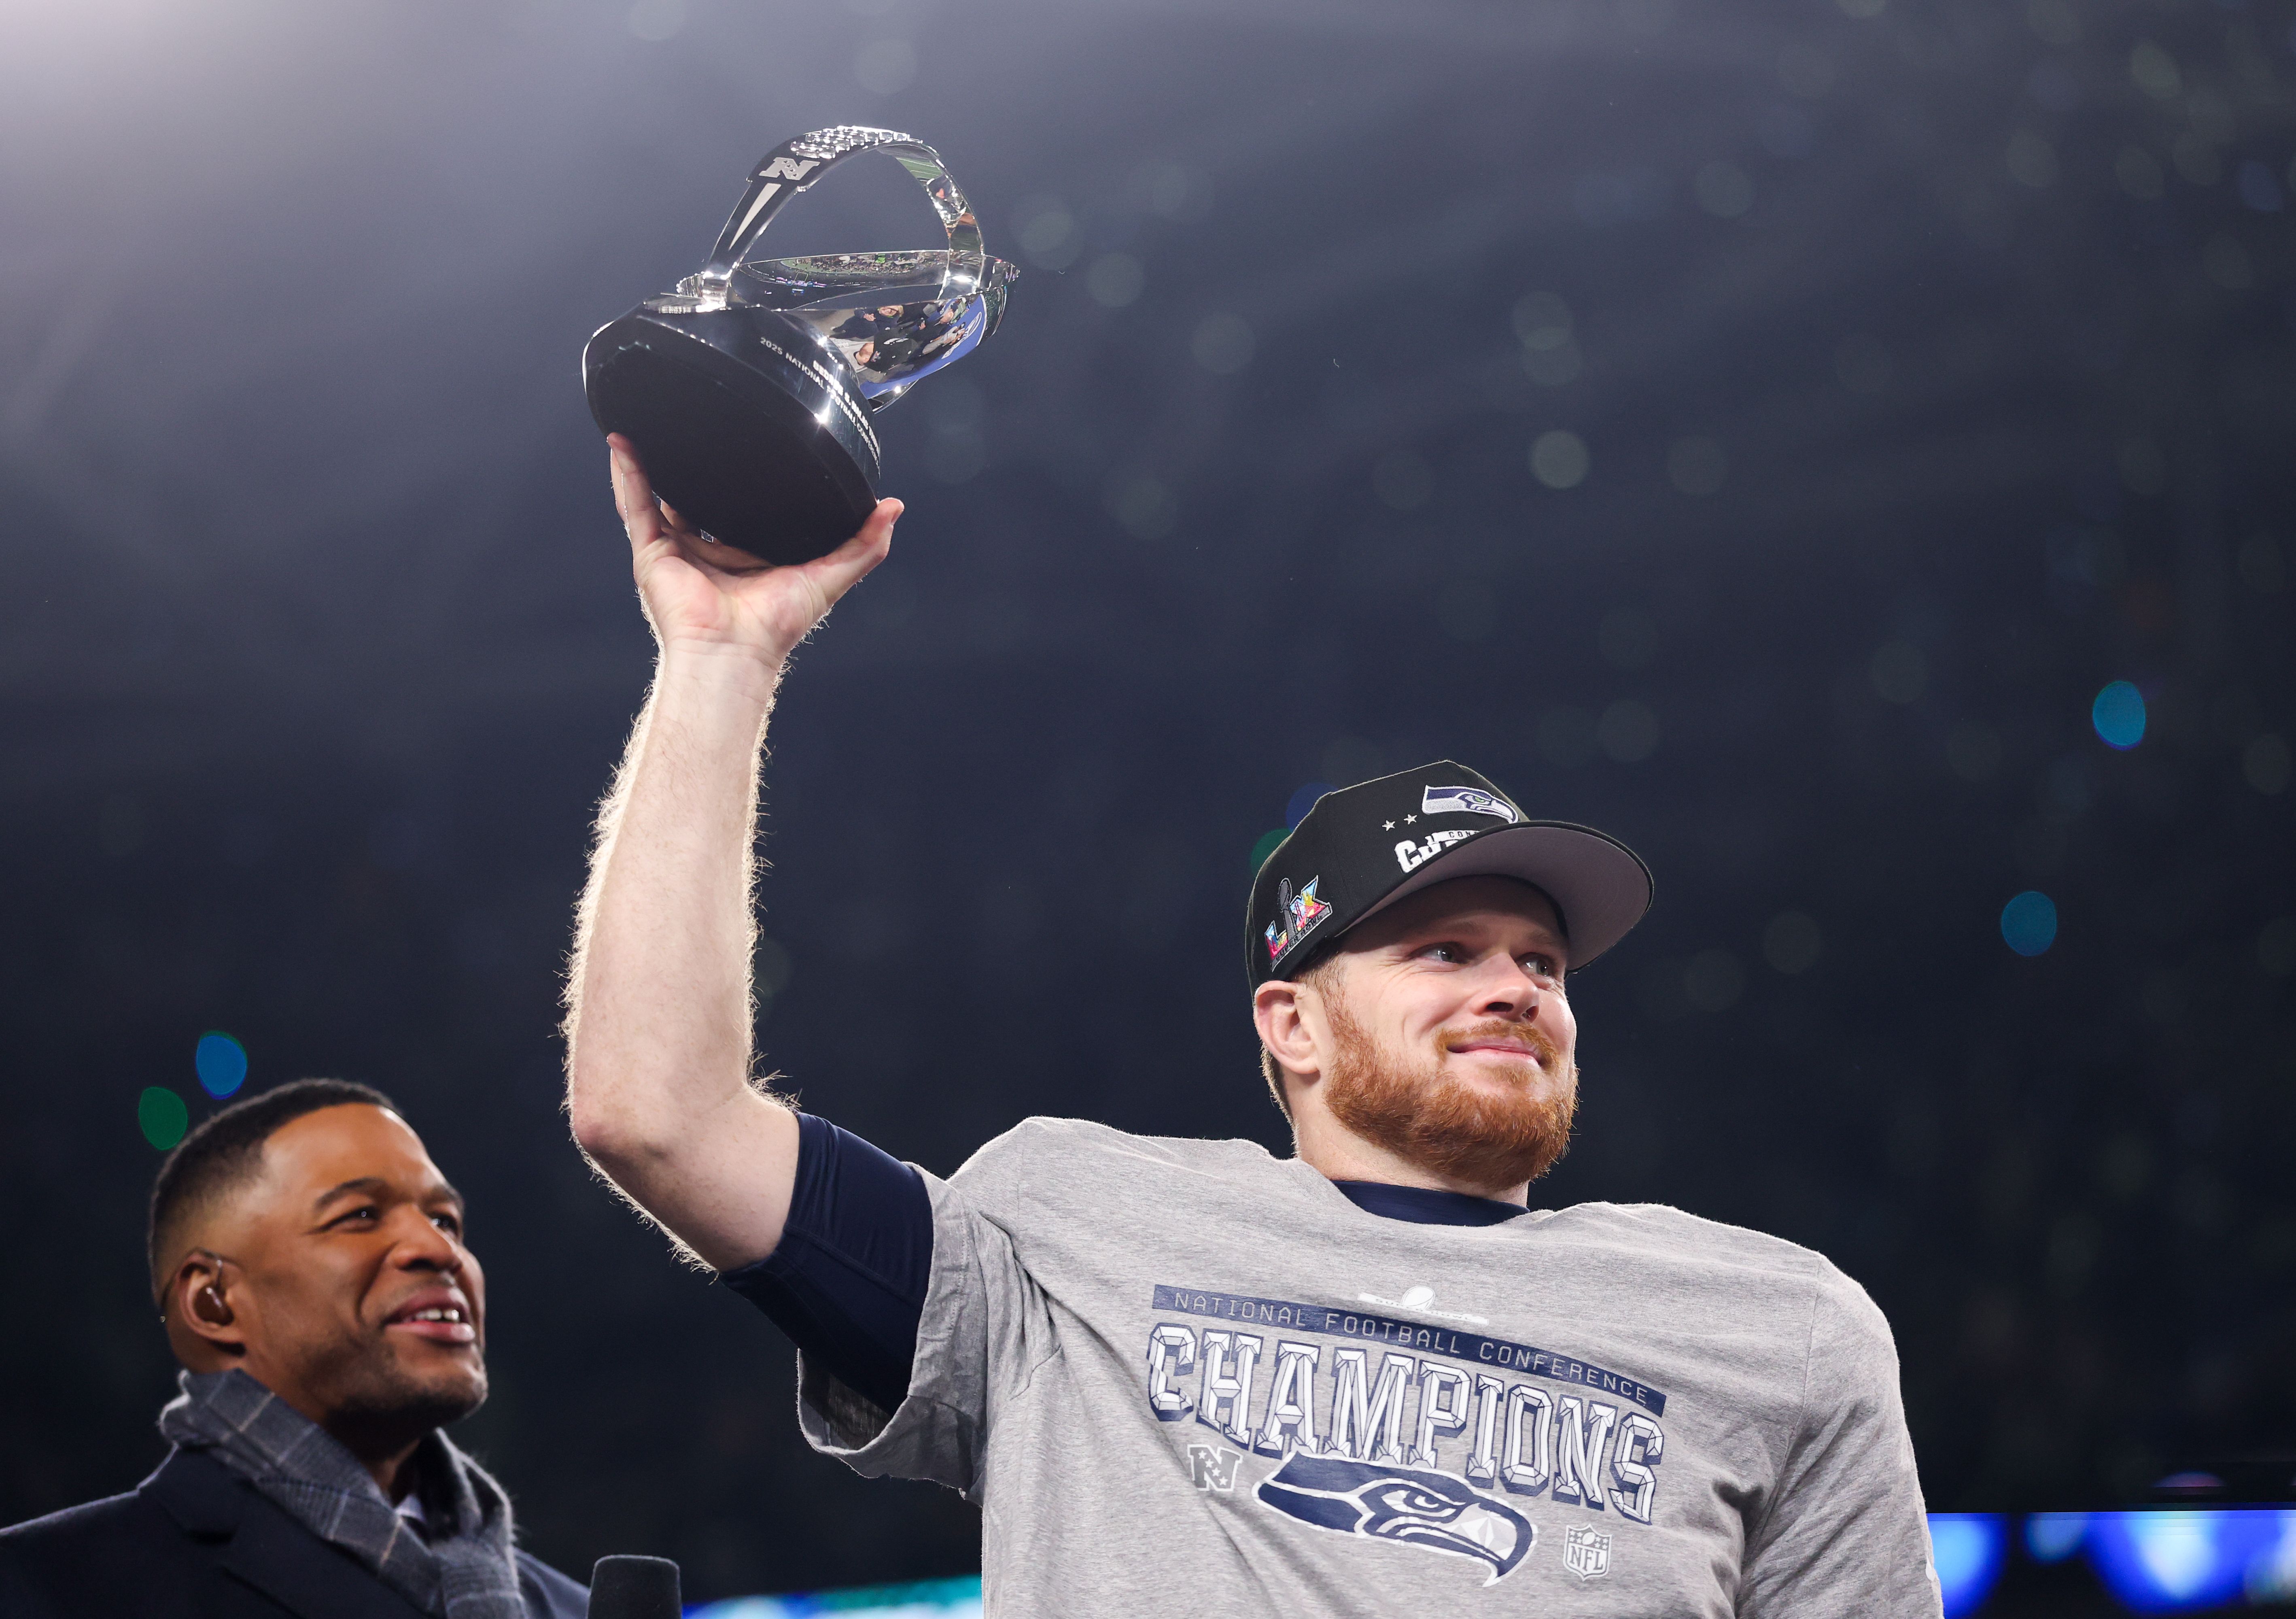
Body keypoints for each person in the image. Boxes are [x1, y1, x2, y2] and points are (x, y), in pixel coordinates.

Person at [560, 438, 1941, 1615]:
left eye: (1543, 962)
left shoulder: (1780, 1331)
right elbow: (660, 1116)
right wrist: (718, 661)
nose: (1519, 988)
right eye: (1445, 952)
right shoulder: (1069, 1233)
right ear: (1293, 1025)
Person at [0, 1080, 588, 1619]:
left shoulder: (580, 1610)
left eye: (446, 1221)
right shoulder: (41, 1587)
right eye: (360, 1215)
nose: (439, 1250)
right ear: (213, 1303)